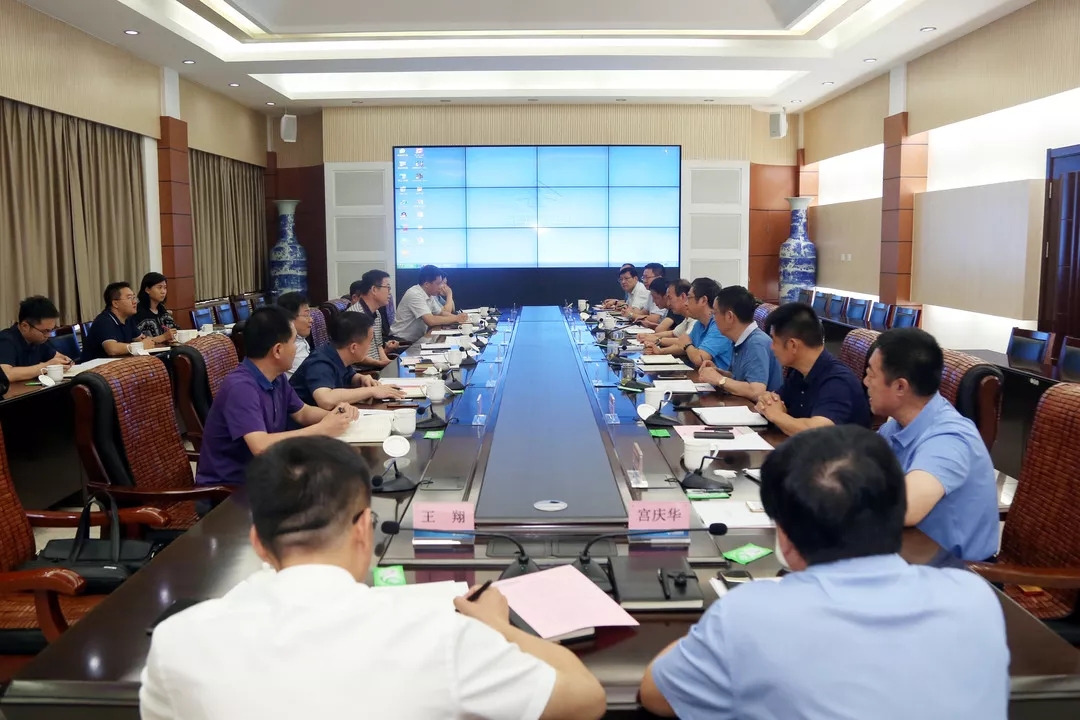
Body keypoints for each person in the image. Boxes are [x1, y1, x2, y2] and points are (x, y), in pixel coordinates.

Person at [141, 437, 608, 720]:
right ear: (364, 528)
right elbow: (586, 699)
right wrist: (497, 627)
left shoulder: (177, 640)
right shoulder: (440, 636)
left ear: (258, 543)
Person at [639, 425, 1009, 720]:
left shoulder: (748, 615)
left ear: (784, 537)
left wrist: (716, 629)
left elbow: (656, 694)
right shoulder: (974, 597)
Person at [866, 328, 1000, 561]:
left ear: (900, 387)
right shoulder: (896, 426)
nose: (865, 382)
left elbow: (904, 508)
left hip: (959, 573)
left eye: (871, 374)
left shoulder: (949, 438)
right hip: (909, 555)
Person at [193, 306, 359, 489]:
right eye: (294, 342)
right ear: (278, 350)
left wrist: (336, 415)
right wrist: (322, 428)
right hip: (231, 491)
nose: (296, 349)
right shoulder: (241, 388)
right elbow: (261, 446)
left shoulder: (276, 377)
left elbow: (302, 412)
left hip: (267, 475)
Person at [757, 302, 870, 435]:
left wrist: (776, 415)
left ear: (793, 345)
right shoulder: (799, 372)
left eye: (774, 341)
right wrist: (766, 400)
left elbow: (817, 432)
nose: (772, 347)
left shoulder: (838, 382)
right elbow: (774, 402)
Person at [290, 311, 406, 409]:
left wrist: (361, 378)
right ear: (353, 347)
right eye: (370, 341)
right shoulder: (319, 363)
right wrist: (372, 391)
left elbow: (348, 376)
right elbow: (326, 399)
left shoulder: (337, 353)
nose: (370, 346)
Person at [699, 285, 782, 402]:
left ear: (729, 316)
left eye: (715, 313)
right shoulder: (739, 339)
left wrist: (719, 380)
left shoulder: (756, 343)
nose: (713, 318)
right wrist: (719, 373)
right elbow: (741, 379)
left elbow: (756, 391)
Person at [649, 277, 731, 370]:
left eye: (689, 298)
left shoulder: (718, 326)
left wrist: (687, 344)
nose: (686, 303)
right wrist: (660, 351)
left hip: (719, 377)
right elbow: (684, 347)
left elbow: (699, 359)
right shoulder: (699, 324)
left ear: (703, 300)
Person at [389, 265, 468, 343]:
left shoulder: (429, 294)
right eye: (438, 283)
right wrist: (456, 318)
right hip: (400, 341)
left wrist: (462, 318)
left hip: (417, 340)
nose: (441, 287)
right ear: (427, 284)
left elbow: (441, 313)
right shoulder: (415, 294)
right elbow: (431, 320)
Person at [0, 296, 72, 382]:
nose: (48, 335)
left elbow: (58, 357)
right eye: (45, 331)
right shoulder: (5, 340)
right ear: (25, 326)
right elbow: (6, 374)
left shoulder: (39, 340)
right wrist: (46, 366)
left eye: (52, 330)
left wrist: (66, 362)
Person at [82, 282, 147, 361]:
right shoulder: (104, 321)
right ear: (115, 303)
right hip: (97, 367)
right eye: (130, 298)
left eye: (134, 297)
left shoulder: (127, 319)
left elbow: (142, 339)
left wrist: (153, 340)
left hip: (120, 364)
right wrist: (140, 346)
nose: (135, 302)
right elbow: (112, 349)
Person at [346, 270, 398, 368]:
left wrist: (387, 363)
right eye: (388, 288)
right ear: (374, 289)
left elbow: (378, 346)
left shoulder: (376, 313)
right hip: (364, 372)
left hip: (377, 368)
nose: (389, 293)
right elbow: (353, 354)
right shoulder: (354, 315)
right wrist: (380, 364)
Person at [642, 280, 694, 353]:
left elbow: (686, 342)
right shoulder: (688, 318)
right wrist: (649, 336)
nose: (668, 303)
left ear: (683, 296)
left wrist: (657, 341)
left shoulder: (695, 318)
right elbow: (673, 333)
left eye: (670, 298)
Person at [133, 272, 178, 346]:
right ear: (147, 290)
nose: (163, 292)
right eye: (159, 287)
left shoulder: (162, 310)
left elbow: (175, 330)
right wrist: (163, 337)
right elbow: (137, 342)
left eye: (165, 288)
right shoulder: (138, 313)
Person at [276, 292, 311, 379]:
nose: (311, 320)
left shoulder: (300, 338)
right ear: (289, 318)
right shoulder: (288, 347)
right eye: (306, 315)